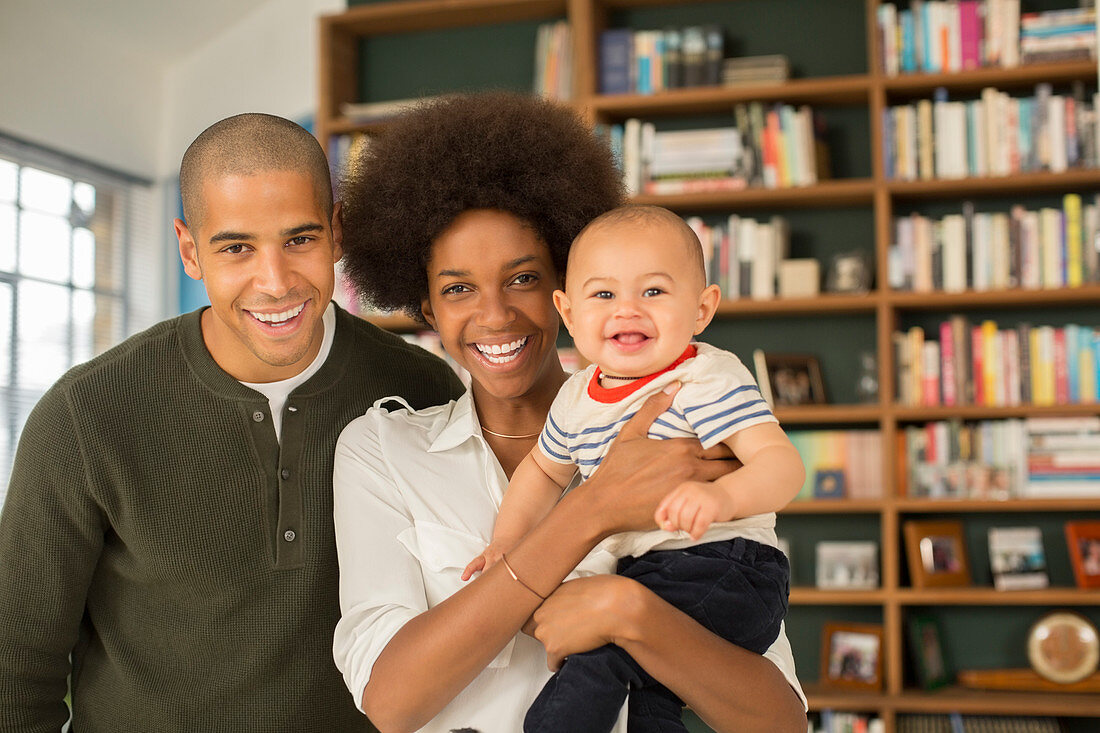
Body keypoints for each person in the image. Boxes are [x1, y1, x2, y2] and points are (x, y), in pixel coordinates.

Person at [332, 91, 807, 733]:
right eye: (457, 289)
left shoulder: (684, 418)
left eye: (523, 277)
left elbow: (779, 721)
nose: (495, 314)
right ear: (425, 309)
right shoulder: (384, 450)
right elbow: (389, 703)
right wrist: (593, 509)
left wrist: (631, 612)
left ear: (564, 292)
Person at [0, 113, 463, 732]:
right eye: (236, 247)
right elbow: (15, 669)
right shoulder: (85, 414)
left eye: (299, 240)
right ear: (190, 250)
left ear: (336, 232)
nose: (275, 283)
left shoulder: (421, 391)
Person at [461, 204, 805, 733]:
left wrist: (722, 499)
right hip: (650, 577)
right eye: (603, 295)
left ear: (701, 309)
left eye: (654, 292)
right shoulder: (577, 397)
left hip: (726, 567)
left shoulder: (702, 378)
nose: (627, 311)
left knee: (597, 658)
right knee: (642, 696)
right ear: (568, 313)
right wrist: (506, 547)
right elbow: (541, 473)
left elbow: (783, 467)